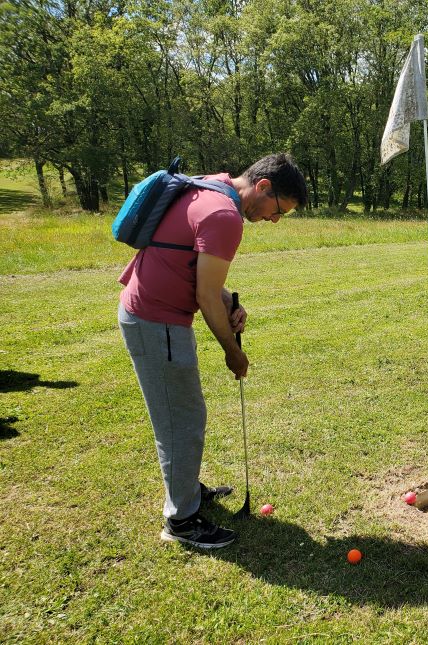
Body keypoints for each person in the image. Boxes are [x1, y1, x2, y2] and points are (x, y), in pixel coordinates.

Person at [118, 153, 308, 549]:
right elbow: (204, 294)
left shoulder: (210, 184)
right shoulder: (225, 216)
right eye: (279, 211)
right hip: (157, 320)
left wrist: (226, 300)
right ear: (263, 187)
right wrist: (232, 352)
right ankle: (182, 521)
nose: (275, 221)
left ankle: (187, 490)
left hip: (150, 312)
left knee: (182, 414)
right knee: (181, 420)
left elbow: (193, 267)